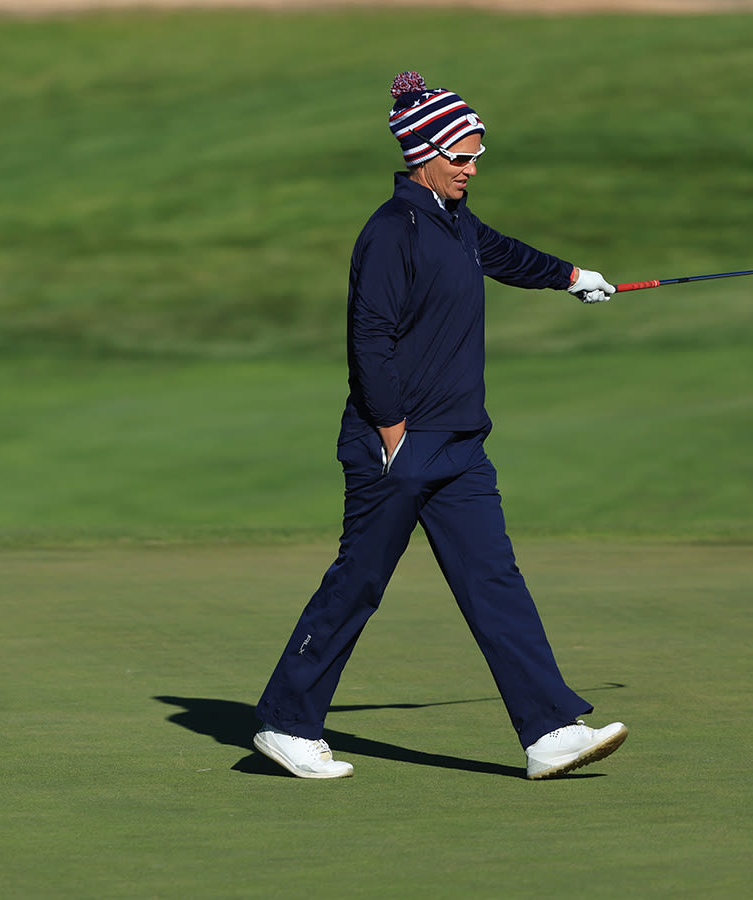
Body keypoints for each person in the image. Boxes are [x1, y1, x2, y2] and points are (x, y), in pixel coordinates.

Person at [252, 72, 628, 781]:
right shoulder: (393, 231)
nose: (471, 166)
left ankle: (548, 730)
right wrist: (392, 434)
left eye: (476, 152)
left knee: (495, 581)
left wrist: (572, 275)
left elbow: (507, 255)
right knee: (359, 583)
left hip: (458, 443)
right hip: (394, 446)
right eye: (459, 153)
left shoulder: (456, 222)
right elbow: (370, 338)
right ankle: (285, 722)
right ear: (423, 151)